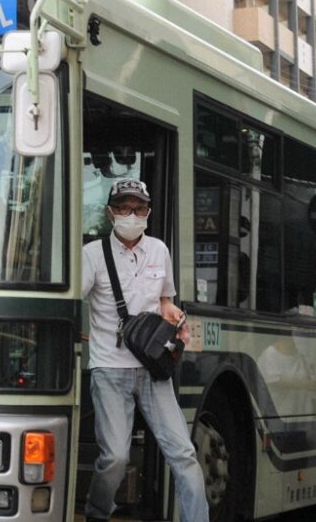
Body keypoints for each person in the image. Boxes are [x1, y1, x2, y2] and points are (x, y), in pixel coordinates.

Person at [81, 178, 208, 522]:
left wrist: (176, 320)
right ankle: (96, 512)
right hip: (109, 369)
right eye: (124, 207)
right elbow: (71, 299)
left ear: (148, 213)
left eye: (138, 208)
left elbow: (165, 301)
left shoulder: (159, 250)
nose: (131, 214)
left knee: (184, 453)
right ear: (110, 213)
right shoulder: (91, 255)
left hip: (153, 369)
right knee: (115, 459)